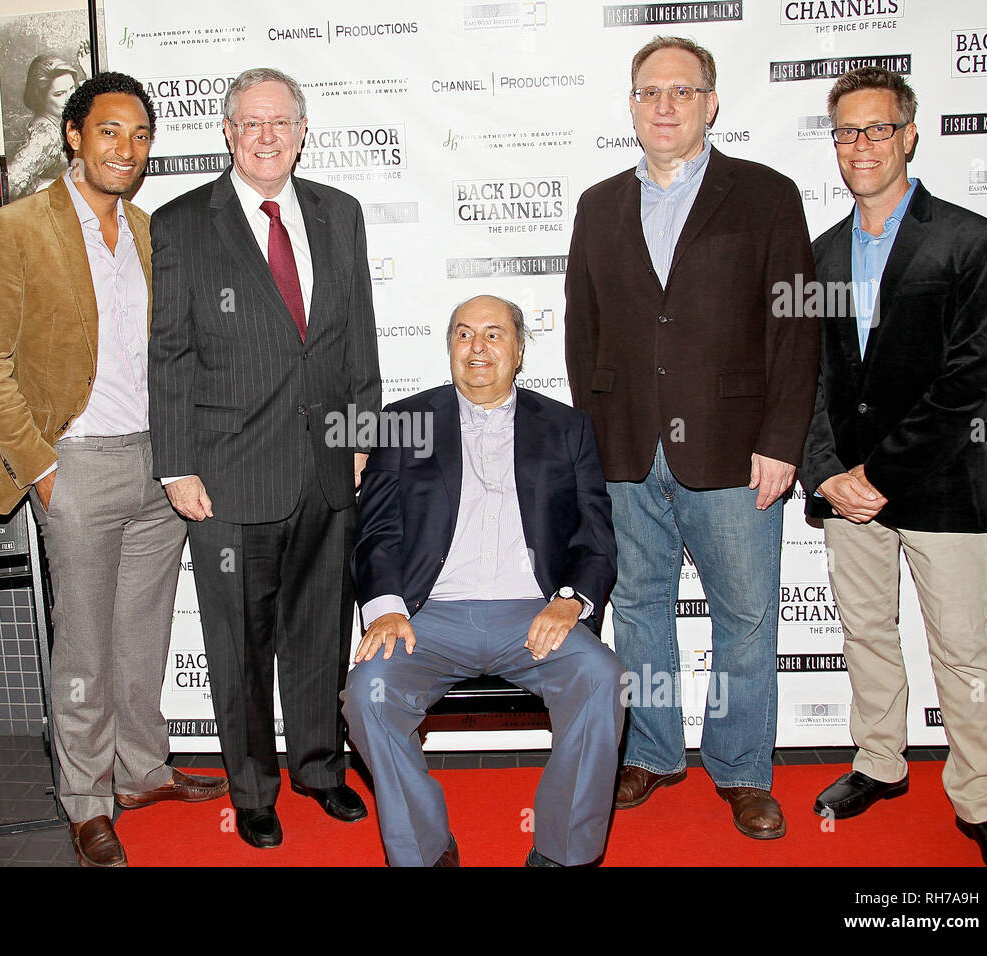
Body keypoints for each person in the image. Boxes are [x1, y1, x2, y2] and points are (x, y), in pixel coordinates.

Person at [0, 71, 227, 868]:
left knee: (142, 638)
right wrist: (43, 469)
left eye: (141, 134)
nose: (127, 147)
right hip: (74, 463)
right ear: (73, 135)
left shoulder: (151, 231)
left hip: (157, 466)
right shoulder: (9, 231)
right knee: (83, 648)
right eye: (110, 130)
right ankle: (84, 800)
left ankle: (142, 772)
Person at [564, 35, 819, 839]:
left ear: (711, 103)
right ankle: (652, 751)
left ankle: (742, 770)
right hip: (628, 450)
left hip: (737, 452)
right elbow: (583, 333)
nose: (664, 106)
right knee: (639, 610)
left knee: (744, 618)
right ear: (632, 106)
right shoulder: (599, 204)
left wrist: (782, 439)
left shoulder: (766, 195)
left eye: (681, 91)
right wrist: (596, 439)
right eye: (649, 92)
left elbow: (796, 324)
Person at [149, 66, 381, 849]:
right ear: (227, 133)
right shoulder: (181, 223)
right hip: (228, 476)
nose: (266, 135)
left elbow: (356, 340)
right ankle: (252, 788)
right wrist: (176, 466)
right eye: (250, 122)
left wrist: (357, 433)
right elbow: (170, 354)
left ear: (303, 130)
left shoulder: (338, 213)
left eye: (280, 121)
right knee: (239, 646)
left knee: (320, 632)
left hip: (324, 468)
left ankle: (321, 769)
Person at [801, 67, 987, 868]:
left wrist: (878, 474)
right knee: (866, 634)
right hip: (845, 492)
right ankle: (878, 762)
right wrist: (829, 473)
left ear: (909, 135)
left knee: (963, 649)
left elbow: (970, 381)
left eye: (877, 129)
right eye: (846, 132)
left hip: (936, 483)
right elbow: (810, 381)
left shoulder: (970, 240)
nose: (861, 146)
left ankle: (982, 798)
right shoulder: (819, 254)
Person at [342, 295, 625, 867]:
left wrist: (571, 600)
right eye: (463, 334)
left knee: (603, 677)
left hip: (533, 613)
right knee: (368, 694)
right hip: (428, 618)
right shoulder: (403, 423)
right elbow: (374, 534)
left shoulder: (566, 427)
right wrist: (387, 608)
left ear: (520, 350)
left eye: (494, 335)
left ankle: (563, 852)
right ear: (448, 348)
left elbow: (596, 537)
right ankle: (425, 849)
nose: (477, 348)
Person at [7, 53, 81, 199]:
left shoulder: (59, 122)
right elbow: (10, 182)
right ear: (41, 97)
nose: (69, 98)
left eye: (72, 89)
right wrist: (45, 187)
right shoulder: (46, 135)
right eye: (59, 94)